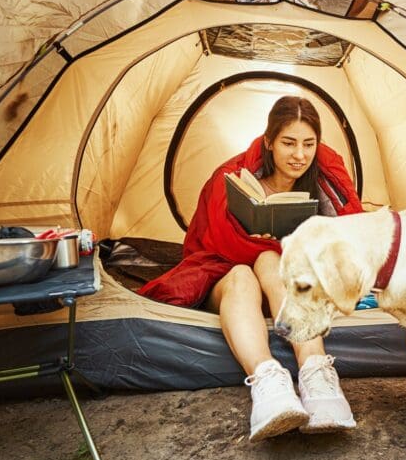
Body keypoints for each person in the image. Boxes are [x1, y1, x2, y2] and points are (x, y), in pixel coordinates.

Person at [139, 96, 364, 441]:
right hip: (229, 281)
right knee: (245, 273)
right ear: (269, 141)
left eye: (309, 144)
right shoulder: (232, 177)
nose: (299, 155)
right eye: (288, 143)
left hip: (284, 282)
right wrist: (251, 239)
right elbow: (208, 242)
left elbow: (349, 240)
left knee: (269, 259)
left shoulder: (325, 179)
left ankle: (316, 371)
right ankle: (268, 382)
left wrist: (279, 247)